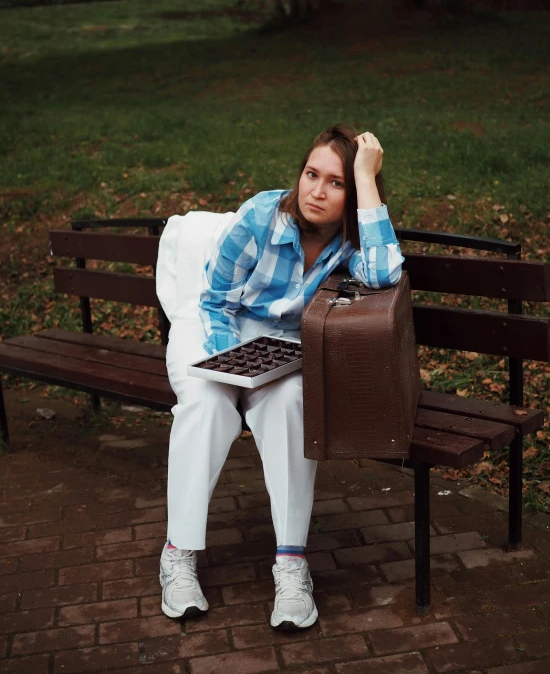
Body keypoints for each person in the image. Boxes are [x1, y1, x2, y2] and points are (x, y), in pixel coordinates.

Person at [158, 124, 404, 630]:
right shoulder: (261, 215)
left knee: (293, 405)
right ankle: (177, 553)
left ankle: (292, 565)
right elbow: (214, 300)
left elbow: (383, 274)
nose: (316, 190)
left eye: (336, 182)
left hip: (286, 347)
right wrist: (234, 366)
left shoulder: (349, 240)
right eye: (311, 174)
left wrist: (366, 177)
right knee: (206, 406)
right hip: (216, 327)